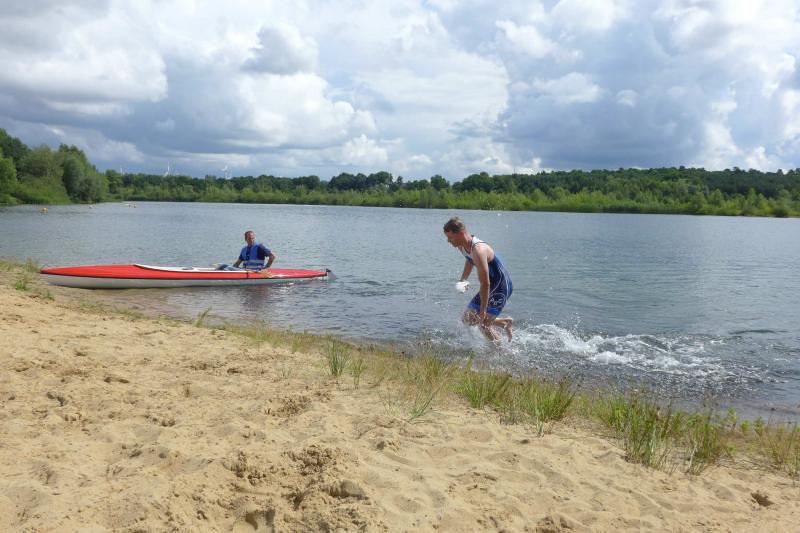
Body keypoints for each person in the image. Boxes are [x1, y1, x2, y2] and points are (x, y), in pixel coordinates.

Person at [443, 217, 513, 341]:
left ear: (461, 233)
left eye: (450, 237)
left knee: (483, 323)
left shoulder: (479, 250)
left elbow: (485, 283)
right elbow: (470, 260)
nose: (448, 241)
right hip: (490, 284)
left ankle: (500, 350)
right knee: (467, 319)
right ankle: (504, 322)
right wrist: (463, 279)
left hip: (500, 285)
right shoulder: (461, 245)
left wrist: (483, 310)